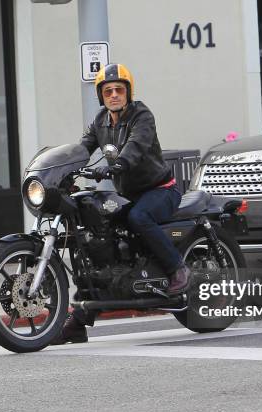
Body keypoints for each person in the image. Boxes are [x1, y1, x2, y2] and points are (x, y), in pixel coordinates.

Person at [51, 63, 191, 344]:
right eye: (108, 91)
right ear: (101, 96)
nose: (113, 95)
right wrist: (62, 172)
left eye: (118, 89)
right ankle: (80, 319)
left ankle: (179, 269)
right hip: (130, 193)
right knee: (97, 237)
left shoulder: (142, 115)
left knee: (139, 218)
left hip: (160, 190)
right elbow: (82, 149)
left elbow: (136, 146)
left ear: (128, 92)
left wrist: (117, 165)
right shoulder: (100, 121)